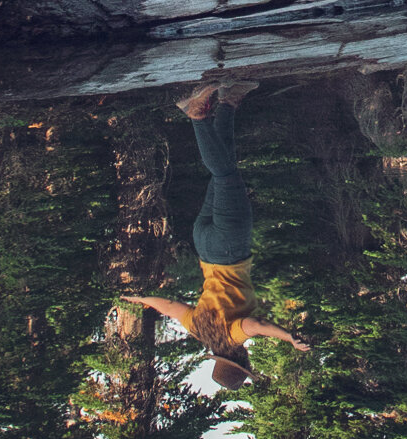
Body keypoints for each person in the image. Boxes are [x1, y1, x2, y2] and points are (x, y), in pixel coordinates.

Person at [119, 85, 310, 384]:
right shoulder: (199, 330)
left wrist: (288, 338)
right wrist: (140, 297)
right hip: (204, 245)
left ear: (240, 360)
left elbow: (257, 325)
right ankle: (229, 101)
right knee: (224, 172)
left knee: (226, 175)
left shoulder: (234, 336)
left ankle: (196, 114)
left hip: (229, 248)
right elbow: (169, 308)